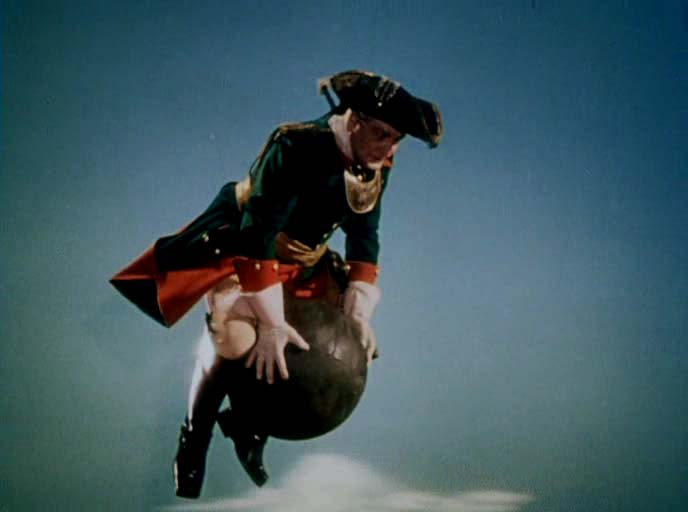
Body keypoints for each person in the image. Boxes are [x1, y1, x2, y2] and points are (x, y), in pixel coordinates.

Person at [110, 70, 443, 498]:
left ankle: (247, 425)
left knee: (336, 339)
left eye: (397, 139)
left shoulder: (377, 160)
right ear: (354, 119)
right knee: (234, 338)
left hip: (307, 260)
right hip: (245, 243)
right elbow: (258, 235)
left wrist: (358, 311)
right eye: (382, 134)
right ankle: (194, 437)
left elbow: (365, 234)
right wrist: (270, 321)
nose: (390, 148)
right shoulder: (295, 145)